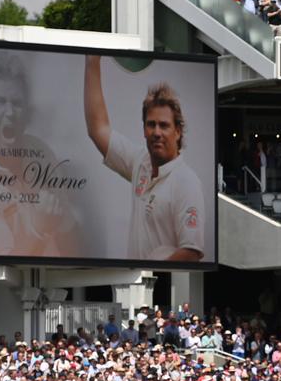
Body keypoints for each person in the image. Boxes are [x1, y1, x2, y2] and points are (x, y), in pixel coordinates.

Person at [83, 55, 205, 261]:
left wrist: (152, 273)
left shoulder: (186, 182)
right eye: (151, 124)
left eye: (164, 125)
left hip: (161, 290)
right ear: (144, 130)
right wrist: (92, 61)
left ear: (178, 132)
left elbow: (191, 252)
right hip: (137, 288)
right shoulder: (141, 162)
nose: (157, 132)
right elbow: (98, 129)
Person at [0, 51, 73, 256]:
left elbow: (68, 231)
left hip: (60, 283)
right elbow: (7, 268)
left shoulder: (40, 153)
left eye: (17, 103)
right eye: (0, 102)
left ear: (27, 112)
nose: (10, 113)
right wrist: (40, 228)